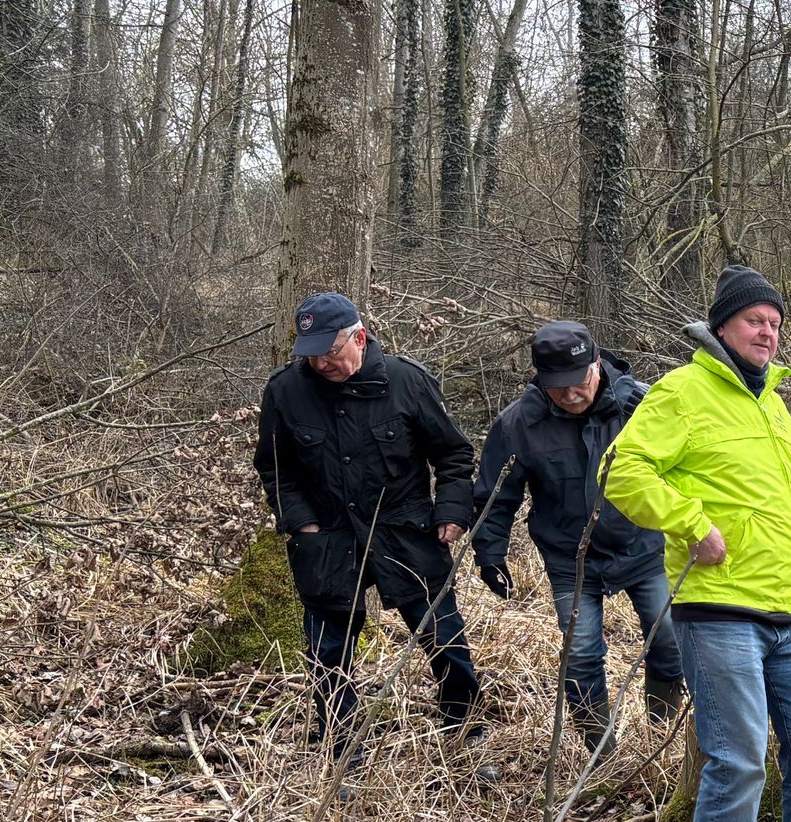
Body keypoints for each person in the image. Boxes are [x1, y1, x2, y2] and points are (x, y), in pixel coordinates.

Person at [602, 264, 791, 822]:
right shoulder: (683, 392)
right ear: (721, 328)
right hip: (718, 610)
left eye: (775, 323)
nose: (768, 332)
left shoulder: (772, 402)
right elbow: (621, 471)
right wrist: (688, 521)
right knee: (740, 759)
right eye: (754, 321)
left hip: (790, 611)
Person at [252, 290, 483, 744]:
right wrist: (303, 524)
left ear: (359, 337)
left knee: (443, 635)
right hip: (328, 538)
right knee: (327, 652)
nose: (320, 364)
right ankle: (342, 745)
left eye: (330, 352)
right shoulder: (285, 391)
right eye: (311, 354)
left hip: (406, 531)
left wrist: (453, 509)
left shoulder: (407, 381)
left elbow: (454, 454)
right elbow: (275, 469)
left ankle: (466, 731)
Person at [472, 320, 682, 751]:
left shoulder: (642, 406)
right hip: (571, 558)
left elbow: (689, 469)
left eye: (578, 382)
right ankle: (598, 753)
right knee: (582, 653)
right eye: (557, 386)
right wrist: (489, 553)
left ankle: (659, 739)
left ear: (596, 364)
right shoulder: (519, 424)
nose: (570, 395)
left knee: (669, 640)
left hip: (644, 548)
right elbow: (496, 496)